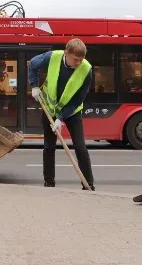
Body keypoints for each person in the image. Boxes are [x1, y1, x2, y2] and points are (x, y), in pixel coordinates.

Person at [28, 38, 95, 189]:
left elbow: (78, 99)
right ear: (66, 53)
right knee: (49, 147)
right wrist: (34, 86)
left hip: (72, 112)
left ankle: (89, 185)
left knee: (80, 147)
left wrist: (60, 119)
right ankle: (49, 183)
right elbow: (32, 64)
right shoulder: (52, 57)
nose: (78, 63)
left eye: (81, 60)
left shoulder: (87, 70)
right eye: (75, 59)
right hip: (49, 109)